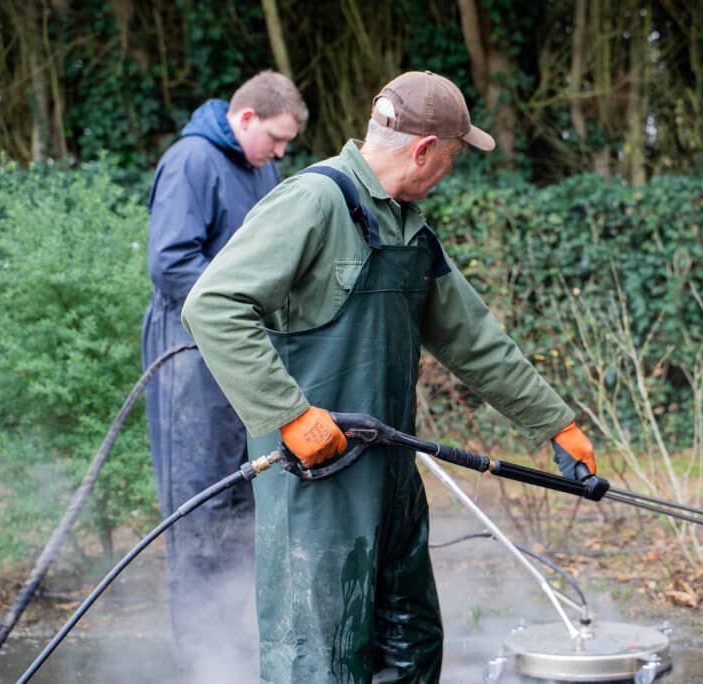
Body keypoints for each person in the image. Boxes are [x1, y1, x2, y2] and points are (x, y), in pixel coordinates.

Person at [181, 70, 596, 682]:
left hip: (391, 475)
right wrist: (289, 415)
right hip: (316, 481)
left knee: (411, 643)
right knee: (319, 659)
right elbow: (212, 305)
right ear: (425, 149)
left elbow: (473, 339)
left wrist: (554, 422)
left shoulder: (410, 226)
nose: (450, 172)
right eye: (452, 158)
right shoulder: (315, 201)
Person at [141, 70, 307, 679]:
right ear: (244, 120)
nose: (282, 154)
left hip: (245, 351)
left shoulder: (261, 168)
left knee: (250, 492)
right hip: (189, 353)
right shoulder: (192, 162)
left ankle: (242, 648)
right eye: (277, 139)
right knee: (200, 504)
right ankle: (203, 661)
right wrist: (238, 310)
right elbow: (172, 264)